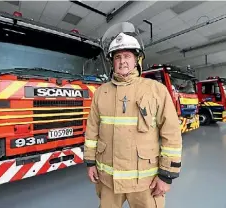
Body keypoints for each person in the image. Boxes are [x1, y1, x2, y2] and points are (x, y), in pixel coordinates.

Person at [83, 22, 182, 208]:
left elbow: (171, 135)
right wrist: (90, 163)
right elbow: (92, 131)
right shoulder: (101, 92)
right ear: (112, 61)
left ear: (137, 60)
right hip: (108, 180)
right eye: (117, 57)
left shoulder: (156, 90)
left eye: (127, 56)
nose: (122, 61)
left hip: (146, 183)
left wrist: (166, 175)